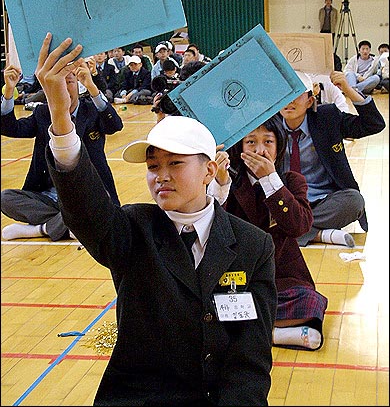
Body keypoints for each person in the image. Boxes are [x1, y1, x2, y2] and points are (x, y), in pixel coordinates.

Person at [38, 33, 277, 406]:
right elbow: (85, 212)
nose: (160, 175)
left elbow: (250, 357)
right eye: (152, 166)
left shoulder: (252, 245)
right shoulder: (134, 228)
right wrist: (61, 119)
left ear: (209, 170)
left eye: (175, 163)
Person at [215, 115, 328, 351]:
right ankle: (274, 334)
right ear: (240, 148)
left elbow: (300, 226)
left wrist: (270, 180)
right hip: (238, 277)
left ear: (279, 148)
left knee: (310, 301)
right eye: (251, 143)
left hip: (282, 276)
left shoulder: (290, 181)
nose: (260, 150)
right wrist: (220, 184)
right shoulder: (228, 183)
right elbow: (213, 227)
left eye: (268, 142)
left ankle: (254, 333)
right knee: (214, 304)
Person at [1, 53, 123, 241]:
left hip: (88, 193)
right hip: (50, 197)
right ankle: (71, 225)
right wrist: (9, 91)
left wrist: (92, 87)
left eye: (69, 81)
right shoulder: (43, 112)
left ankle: (39, 229)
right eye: (58, 83)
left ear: (78, 85)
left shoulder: (91, 110)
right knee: (6, 198)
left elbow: (115, 125)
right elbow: (11, 128)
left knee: (104, 205)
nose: (64, 87)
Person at [278, 70, 385, 248]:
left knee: (354, 201)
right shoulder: (268, 126)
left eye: (296, 95)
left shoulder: (327, 118)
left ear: (310, 101)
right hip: (285, 201)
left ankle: (291, 232)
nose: (289, 101)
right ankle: (319, 234)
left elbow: (374, 124)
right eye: (284, 95)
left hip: (323, 200)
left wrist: (348, 89)